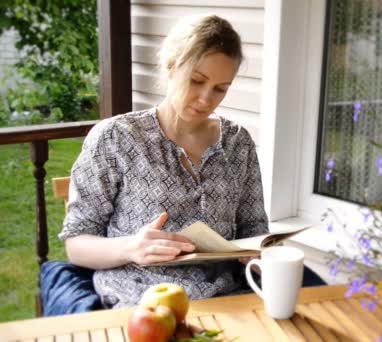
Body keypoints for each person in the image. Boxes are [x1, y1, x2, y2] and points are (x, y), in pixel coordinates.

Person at [57, 15, 270, 309]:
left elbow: (254, 230)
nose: (206, 99)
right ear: (171, 66)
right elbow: (76, 245)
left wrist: (256, 254)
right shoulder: (116, 138)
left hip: (224, 297)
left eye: (221, 88)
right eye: (197, 81)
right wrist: (132, 247)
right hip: (141, 298)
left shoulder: (237, 142)